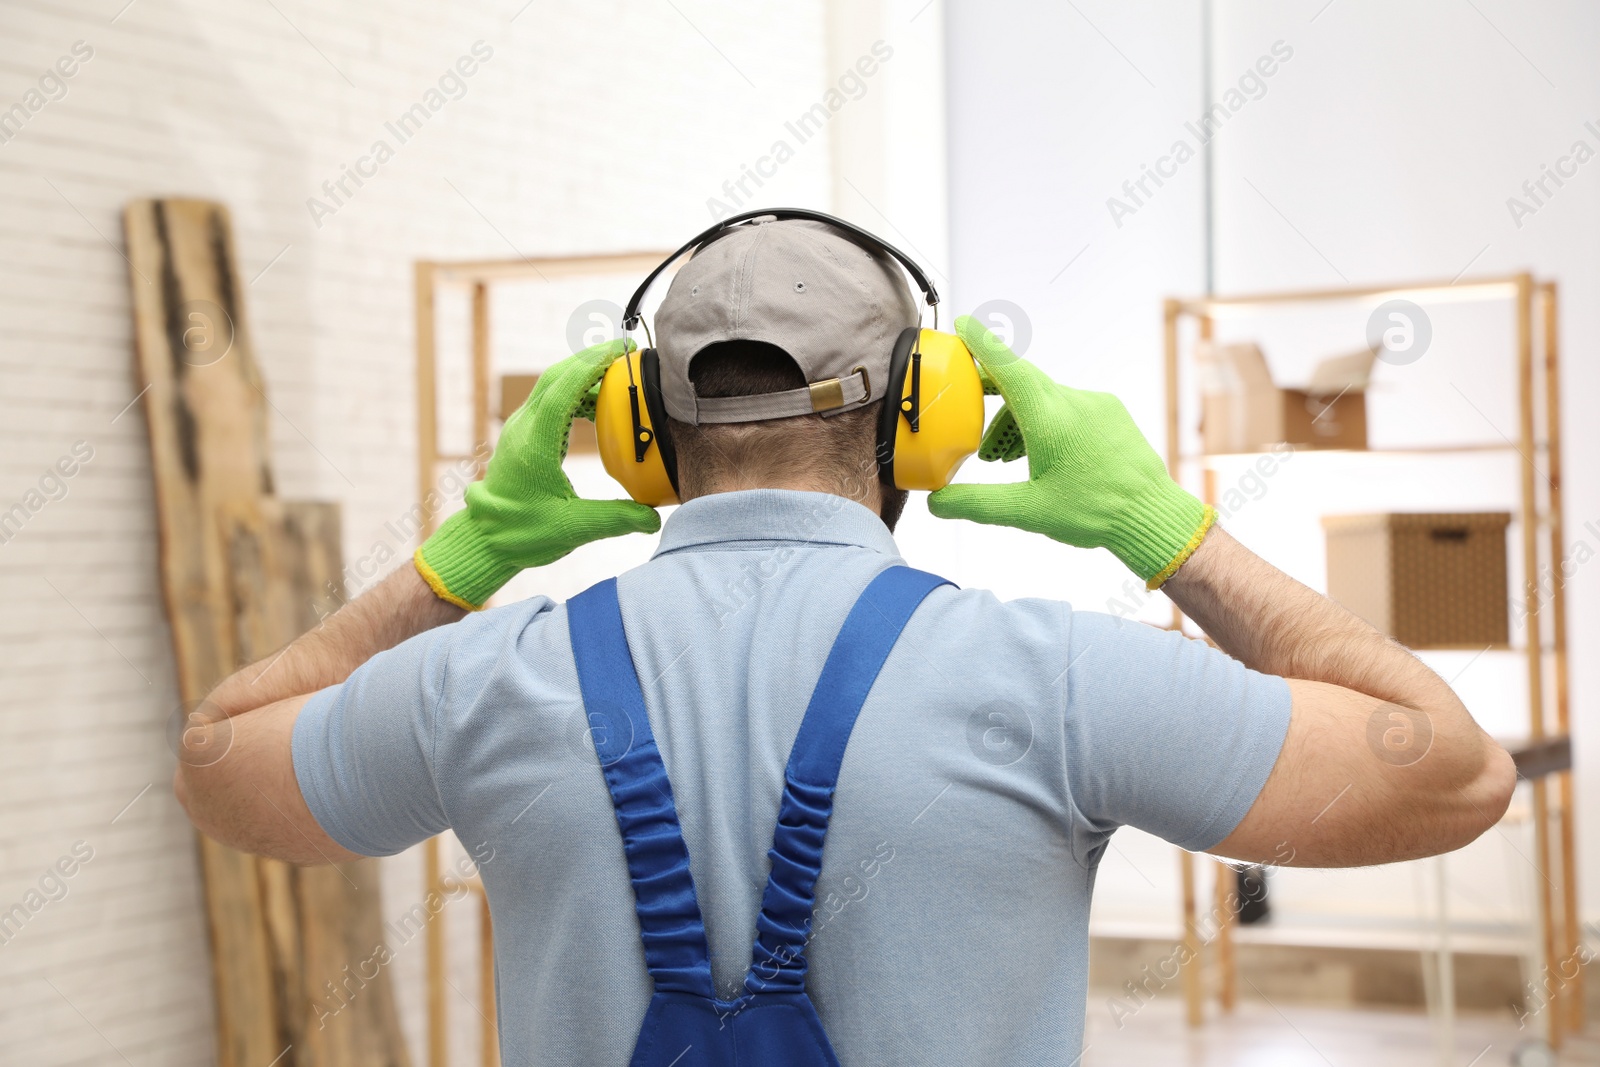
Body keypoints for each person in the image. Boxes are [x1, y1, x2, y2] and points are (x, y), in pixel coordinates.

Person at [175, 217, 1516, 1065]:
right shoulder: (1054, 681)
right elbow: (1452, 773)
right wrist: (1160, 527)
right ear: (922, 418)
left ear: (640, 433)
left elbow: (220, 759)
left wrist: (457, 561)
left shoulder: (486, 678)